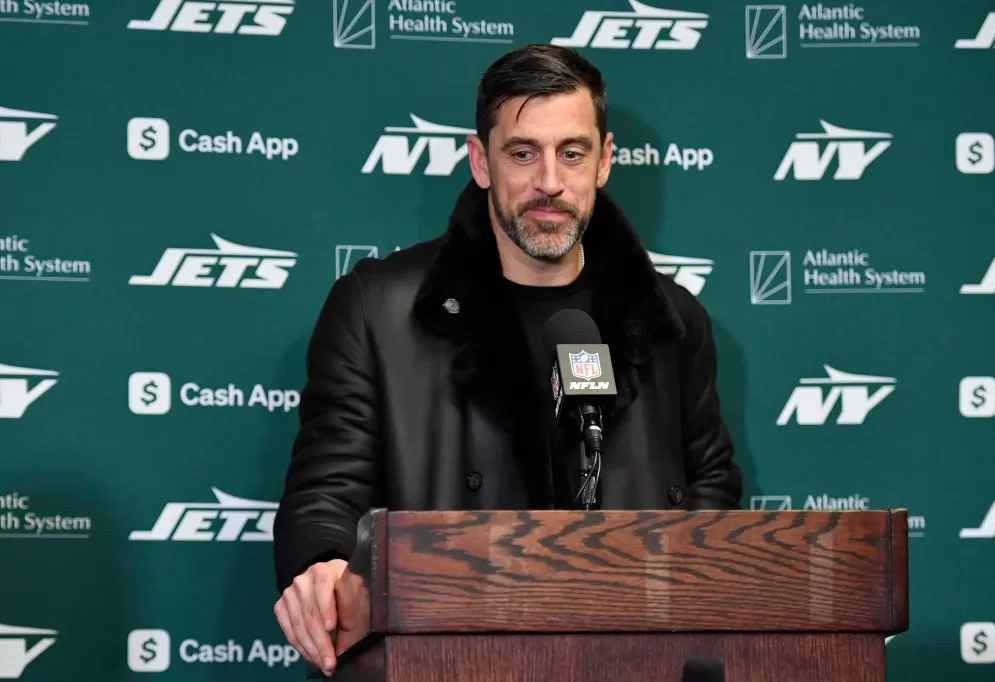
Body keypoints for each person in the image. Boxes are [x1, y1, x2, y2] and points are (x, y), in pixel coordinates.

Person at [272, 43, 743, 676]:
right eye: (523, 152)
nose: (549, 181)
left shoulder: (672, 321)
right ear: (481, 161)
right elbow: (326, 493)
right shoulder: (375, 309)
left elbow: (712, 487)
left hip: (629, 664)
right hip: (436, 662)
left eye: (571, 153)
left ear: (603, 162)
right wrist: (323, 566)